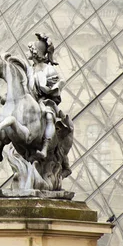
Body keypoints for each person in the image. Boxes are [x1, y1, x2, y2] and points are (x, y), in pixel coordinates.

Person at [27, 33, 73, 176]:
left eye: (30, 49)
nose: (28, 52)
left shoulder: (48, 69)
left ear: (36, 52)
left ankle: (46, 147)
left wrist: (47, 89)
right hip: (31, 103)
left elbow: (59, 83)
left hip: (46, 102)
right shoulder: (30, 70)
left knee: (48, 115)